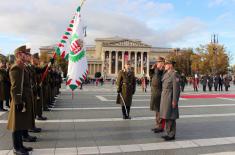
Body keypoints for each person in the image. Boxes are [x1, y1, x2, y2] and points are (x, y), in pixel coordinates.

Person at [7, 45, 33, 155]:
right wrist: (18, 102)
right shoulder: (16, 67)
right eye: (25, 54)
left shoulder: (22, 67)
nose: (27, 55)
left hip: (23, 98)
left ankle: (21, 145)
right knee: (16, 125)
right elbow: (15, 86)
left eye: (27, 54)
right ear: (18, 55)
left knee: (21, 123)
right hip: (19, 99)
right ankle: (16, 148)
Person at [160, 59, 180, 141]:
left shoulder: (174, 74)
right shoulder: (166, 74)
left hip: (170, 97)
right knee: (166, 116)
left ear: (171, 65)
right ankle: (168, 132)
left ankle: (172, 134)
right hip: (165, 97)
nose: (165, 65)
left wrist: (175, 100)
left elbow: (176, 89)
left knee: (171, 116)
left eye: (166, 64)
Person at [149, 57, 165, 133]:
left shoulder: (163, 71)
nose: (157, 63)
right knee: (156, 110)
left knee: (160, 110)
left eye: (158, 62)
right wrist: (152, 69)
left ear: (162, 63)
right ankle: (157, 125)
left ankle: (160, 126)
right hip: (155, 92)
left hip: (160, 93)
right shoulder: (156, 70)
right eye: (157, 62)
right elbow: (151, 76)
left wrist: (158, 69)